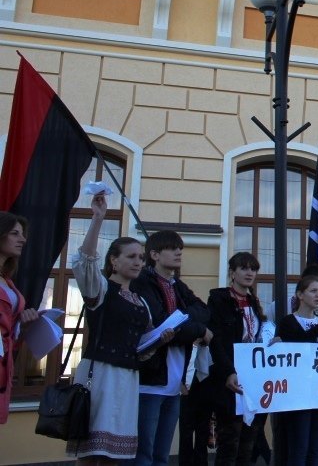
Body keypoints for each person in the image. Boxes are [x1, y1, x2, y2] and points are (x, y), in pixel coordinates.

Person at [68, 193, 175, 462]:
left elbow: (142, 344)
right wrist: (98, 219)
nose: (139, 262)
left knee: (117, 455)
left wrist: (159, 340)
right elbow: (85, 262)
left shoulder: (140, 300)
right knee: (92, 451)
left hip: (128, 378)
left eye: (141, 257)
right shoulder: (102, 288)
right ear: (114, 261)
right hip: (100, 374)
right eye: (131, 256)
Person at [130, 230, 211, 466]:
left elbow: (203, 310)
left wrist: (180, 319)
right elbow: (161, 326)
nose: (178, 252)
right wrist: (198, 330)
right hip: (149, 382)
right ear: (154, 255)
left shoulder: (176, 285)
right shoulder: (142, 283)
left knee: (161, 457)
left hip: (174, 384)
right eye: (172, 248)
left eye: (180, 248)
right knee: (142, 456)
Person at [200, 251, 269, 466]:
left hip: (251, 378)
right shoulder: (219, 300)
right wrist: (228, 371)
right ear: (232, 272)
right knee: (230, 442)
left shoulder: (253, 301)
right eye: (244, 268)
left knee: (248, 442)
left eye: (253, 269)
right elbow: (216, 341)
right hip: (228, 379)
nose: (249, 273)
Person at [270, 274, 318, 465]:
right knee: (299, 448)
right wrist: (317, 330)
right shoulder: (288, 322)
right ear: (300, 294)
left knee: (315, 449)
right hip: (297, 395)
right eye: (313, 291)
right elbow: (296, 345)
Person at [0, 211, 39, 425]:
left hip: (4, 365)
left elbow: (9, 335)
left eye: (22, 234)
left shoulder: (7, 281)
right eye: (15, 233)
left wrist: (24, 327)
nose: (22, 240)